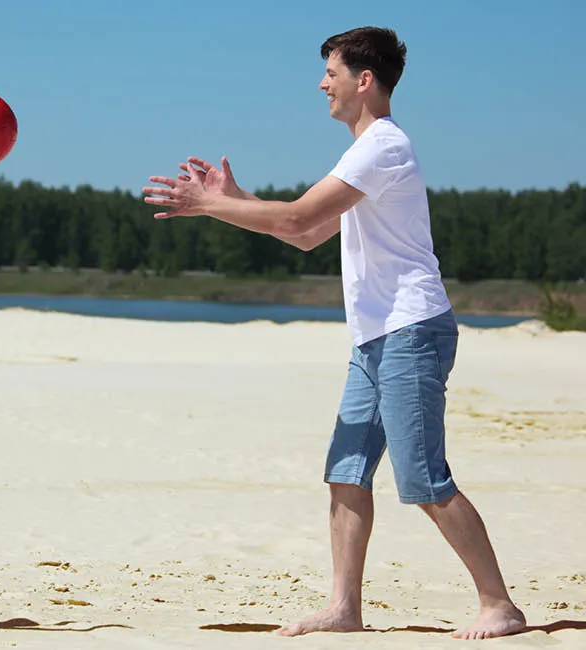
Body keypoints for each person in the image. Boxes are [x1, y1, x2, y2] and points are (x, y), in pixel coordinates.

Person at [141, 26, 526, 640]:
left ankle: (499, 604)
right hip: (375, 339)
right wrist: (237, 198)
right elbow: (303, 232)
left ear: (364, 80)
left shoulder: (384, 147)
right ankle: (345, 608)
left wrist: (209, 204)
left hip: (411, 330)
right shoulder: (362, 153)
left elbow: (297, 216)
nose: (323, 83)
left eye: (332, 72)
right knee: (347, 471)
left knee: (424, 479)